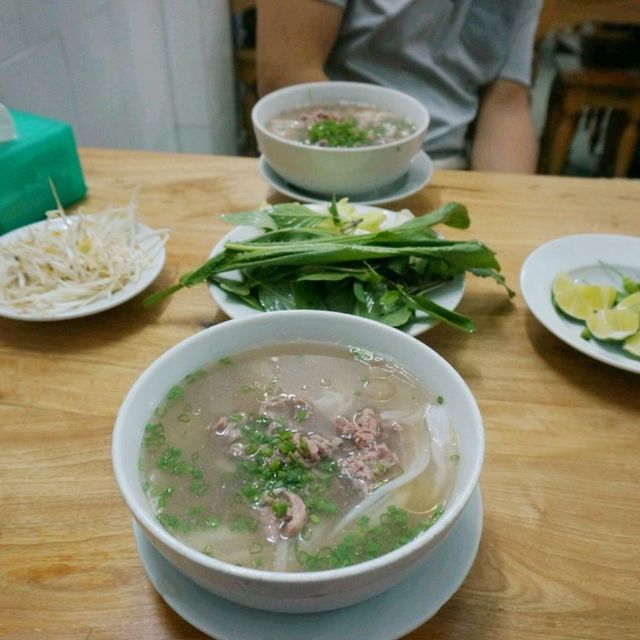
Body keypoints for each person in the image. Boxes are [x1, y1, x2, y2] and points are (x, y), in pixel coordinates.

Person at [255, 0, 542, 173]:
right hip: (326, 160)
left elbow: (507, 103)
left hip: (449, 167)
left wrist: (508, 204)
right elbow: (285, 74)